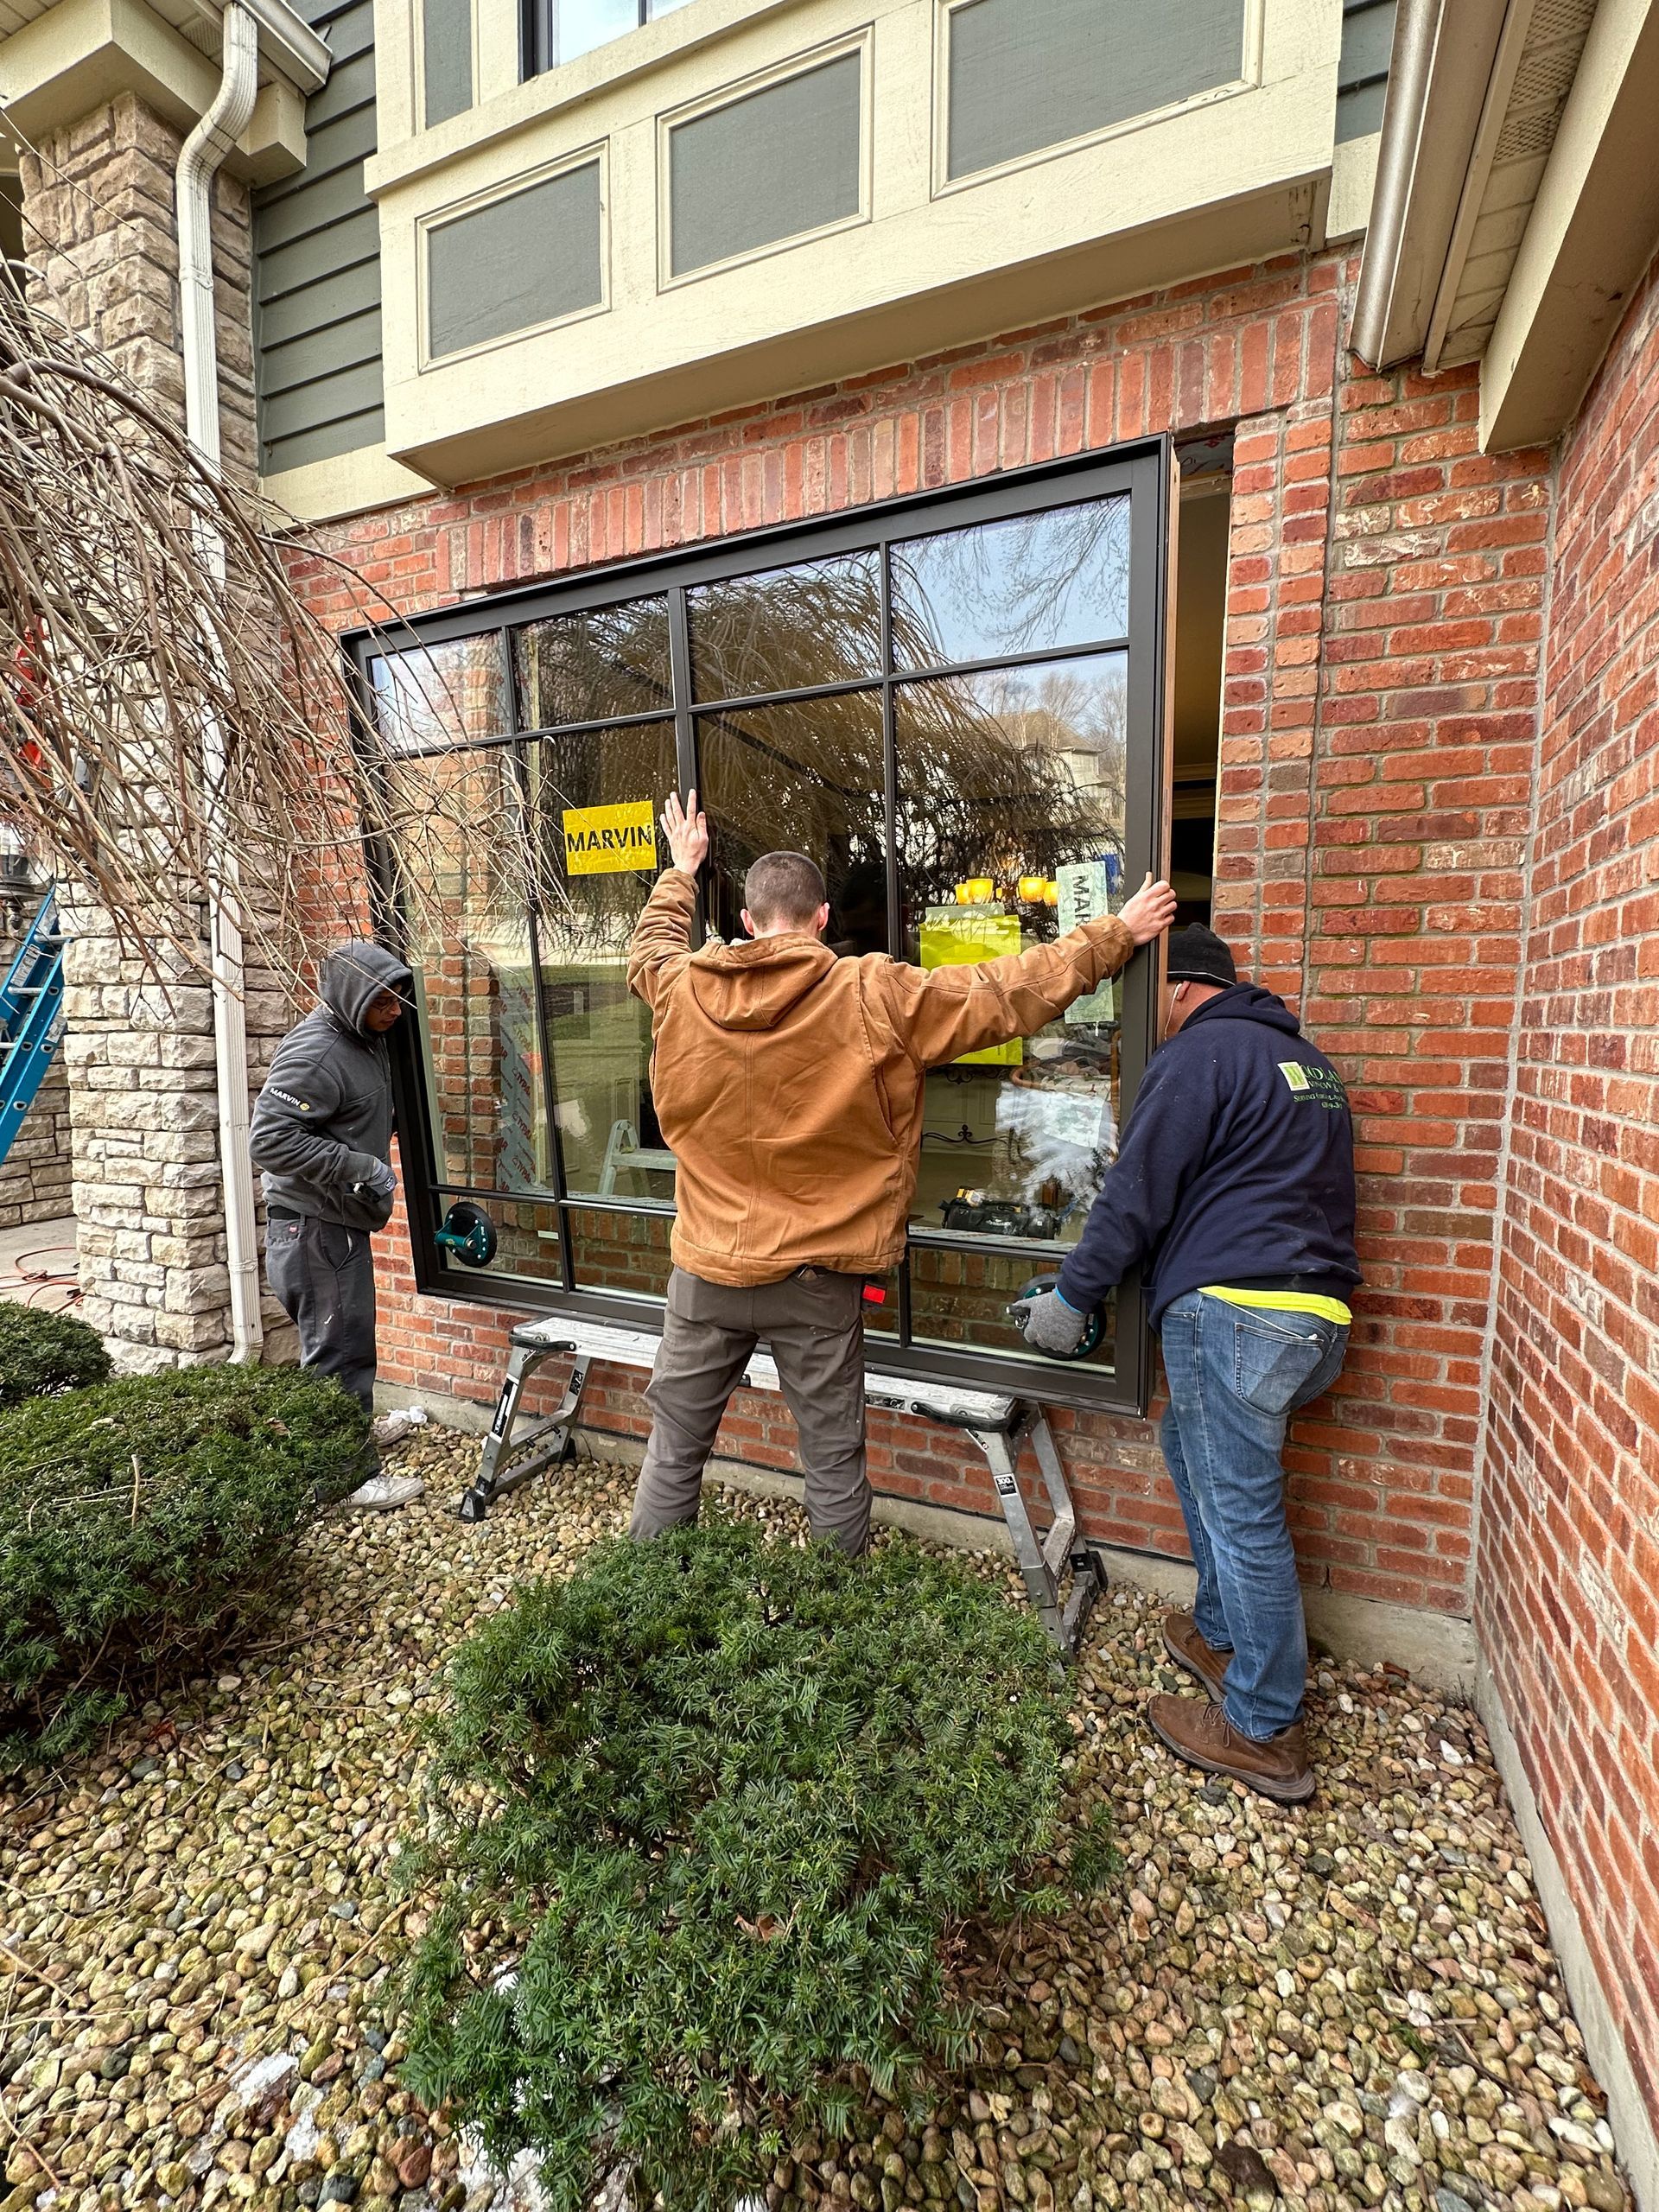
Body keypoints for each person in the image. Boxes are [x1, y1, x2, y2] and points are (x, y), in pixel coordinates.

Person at [625, 790, 1178, 1555]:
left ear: (749, 924)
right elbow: (1010, 991)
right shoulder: (872, 991)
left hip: (706, 1271)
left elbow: (649, 947)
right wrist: (1117, 934)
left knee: (673, 1453)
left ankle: (642, 1606)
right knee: (832, 1465)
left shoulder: (679, 987)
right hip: (817, 1278)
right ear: (823, 920)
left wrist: (681, 870)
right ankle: (837, 1628)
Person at [1015, 924, 1359, 1802]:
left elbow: (1135, 1192)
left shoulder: (1201, 1056)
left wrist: (1073, 1298)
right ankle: (1218, 1632)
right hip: (1314, 1316)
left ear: (1175, 990)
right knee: (1189, 1452)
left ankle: (1263, 1725)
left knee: (1244, 1514)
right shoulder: (1304, 1063)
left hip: (1236, 1315)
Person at [249, 940, 415, 1500]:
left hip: (334, 1223)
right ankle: (347, 1480)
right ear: (351, 996)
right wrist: (359, 1165)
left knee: (344, 1343)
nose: (395, 1011)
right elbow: (269, 1139)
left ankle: (349, 1438)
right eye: (383, 1001)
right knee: (338, 1353)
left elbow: (346, 1113)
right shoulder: (316, 1052)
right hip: (315, 1229)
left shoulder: (363, 1039)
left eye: (398, 999)